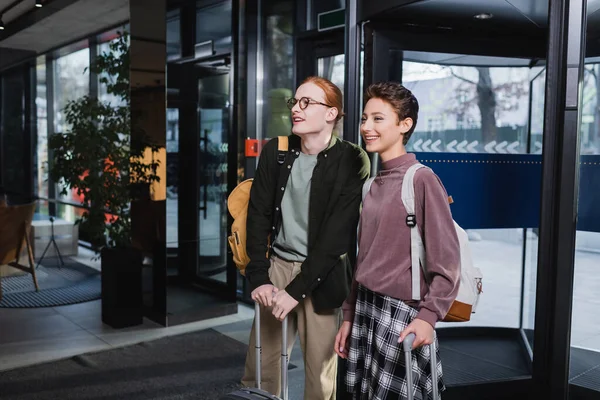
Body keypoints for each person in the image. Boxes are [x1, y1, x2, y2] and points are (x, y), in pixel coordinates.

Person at [241, 76, 371, 400]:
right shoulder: (278, 151)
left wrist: (296, 291)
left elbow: (336, 238)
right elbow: (256, 216)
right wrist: (259, 276)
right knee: (261, 371)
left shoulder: (353, 160)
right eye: (294, 103)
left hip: (324, 276)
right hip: (278, 269)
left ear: (331, 113)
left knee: (320, 381)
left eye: (306, 102)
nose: (296, 110)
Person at [335, 81, 461, 400]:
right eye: (365, 119)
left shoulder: (421, 179)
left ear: (405, 125)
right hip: (367, 308)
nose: (366, 127)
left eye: (378, 118)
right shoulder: (372, 185)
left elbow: (446, 263)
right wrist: (349, 315)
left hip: (401, 314)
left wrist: (428, 317)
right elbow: (363, 258)